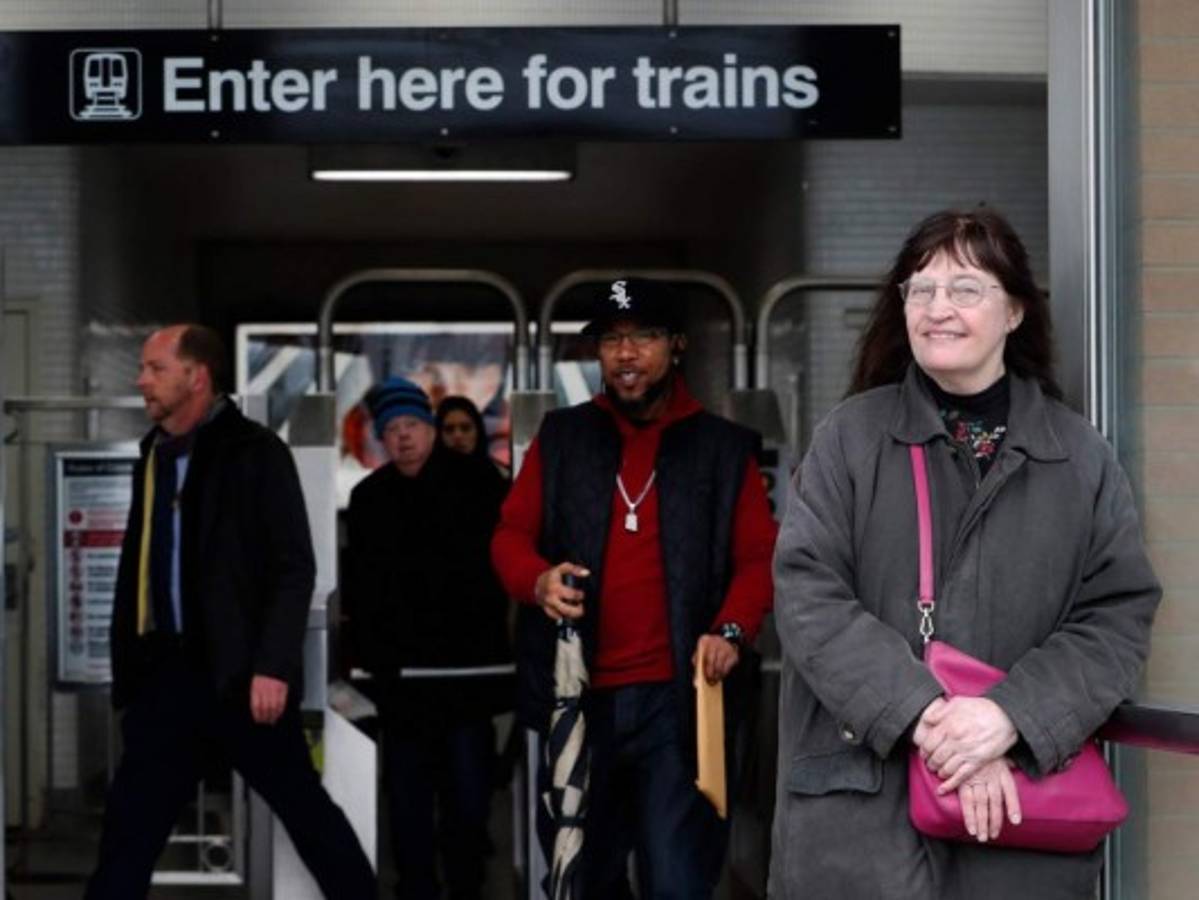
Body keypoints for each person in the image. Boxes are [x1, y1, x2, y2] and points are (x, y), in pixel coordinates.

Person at [769, 208, 1161, 900]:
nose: (937, 308)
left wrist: (1008, 716)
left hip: (1016, 831)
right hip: (862, 828)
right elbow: (807, 594)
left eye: (965, 288)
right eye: (920, 289)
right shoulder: (850, 439)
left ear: (1014, 311)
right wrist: (927, 716)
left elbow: (1115, 615)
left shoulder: (1078, 458)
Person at [491, 277, 778, 898]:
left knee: (676, 879)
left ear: (676, 345)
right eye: (611, 340)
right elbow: (510, 535)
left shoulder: (724, 449)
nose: (625, 354)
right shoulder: (562, 437)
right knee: (583, 876)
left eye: (643, 336)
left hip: (679, 705)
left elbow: (759, 559)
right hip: (578, 699)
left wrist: (731, 630)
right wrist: (537, 581)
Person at [86, 324, 375, 899]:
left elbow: (293, 568)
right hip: (165, 678)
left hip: (240, 676)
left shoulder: (255, 452)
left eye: (155, 368)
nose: (141, 380)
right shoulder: (154, 453)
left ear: (197, 377)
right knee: (128, 833)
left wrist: (272, 667)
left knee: (305, 812)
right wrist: (133, 672)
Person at [345, 377, 511, 900]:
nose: (403, 437)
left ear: (431, 429)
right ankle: (415, 887)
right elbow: (361, 587)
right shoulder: (368, 498)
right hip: (401, 683)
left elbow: (501, 571)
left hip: (467, 676)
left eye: (411, 425)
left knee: (468, 797)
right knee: (407, 800)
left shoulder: (480, 483)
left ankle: (466, 887)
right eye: (391, 429)